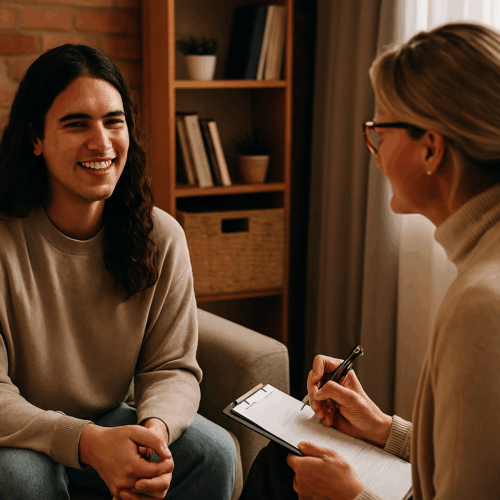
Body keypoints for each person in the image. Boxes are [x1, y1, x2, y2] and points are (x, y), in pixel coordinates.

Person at [240, 21, 500, 500]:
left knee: (281, 471)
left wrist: (350, 497)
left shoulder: (482, 303)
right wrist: (382, 428)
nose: (374, 153)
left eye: (380, 128)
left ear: (431, 147)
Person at [0, 44, 236, 500]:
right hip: (21, 430)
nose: (102, 142)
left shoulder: (159, 236)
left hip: (111, 422)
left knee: (215, 453)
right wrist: (87, 443)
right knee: (24, 478)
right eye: (76, 124)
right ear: (36, 138)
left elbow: (172, 367)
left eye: (114, 121)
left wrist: (154, 434)